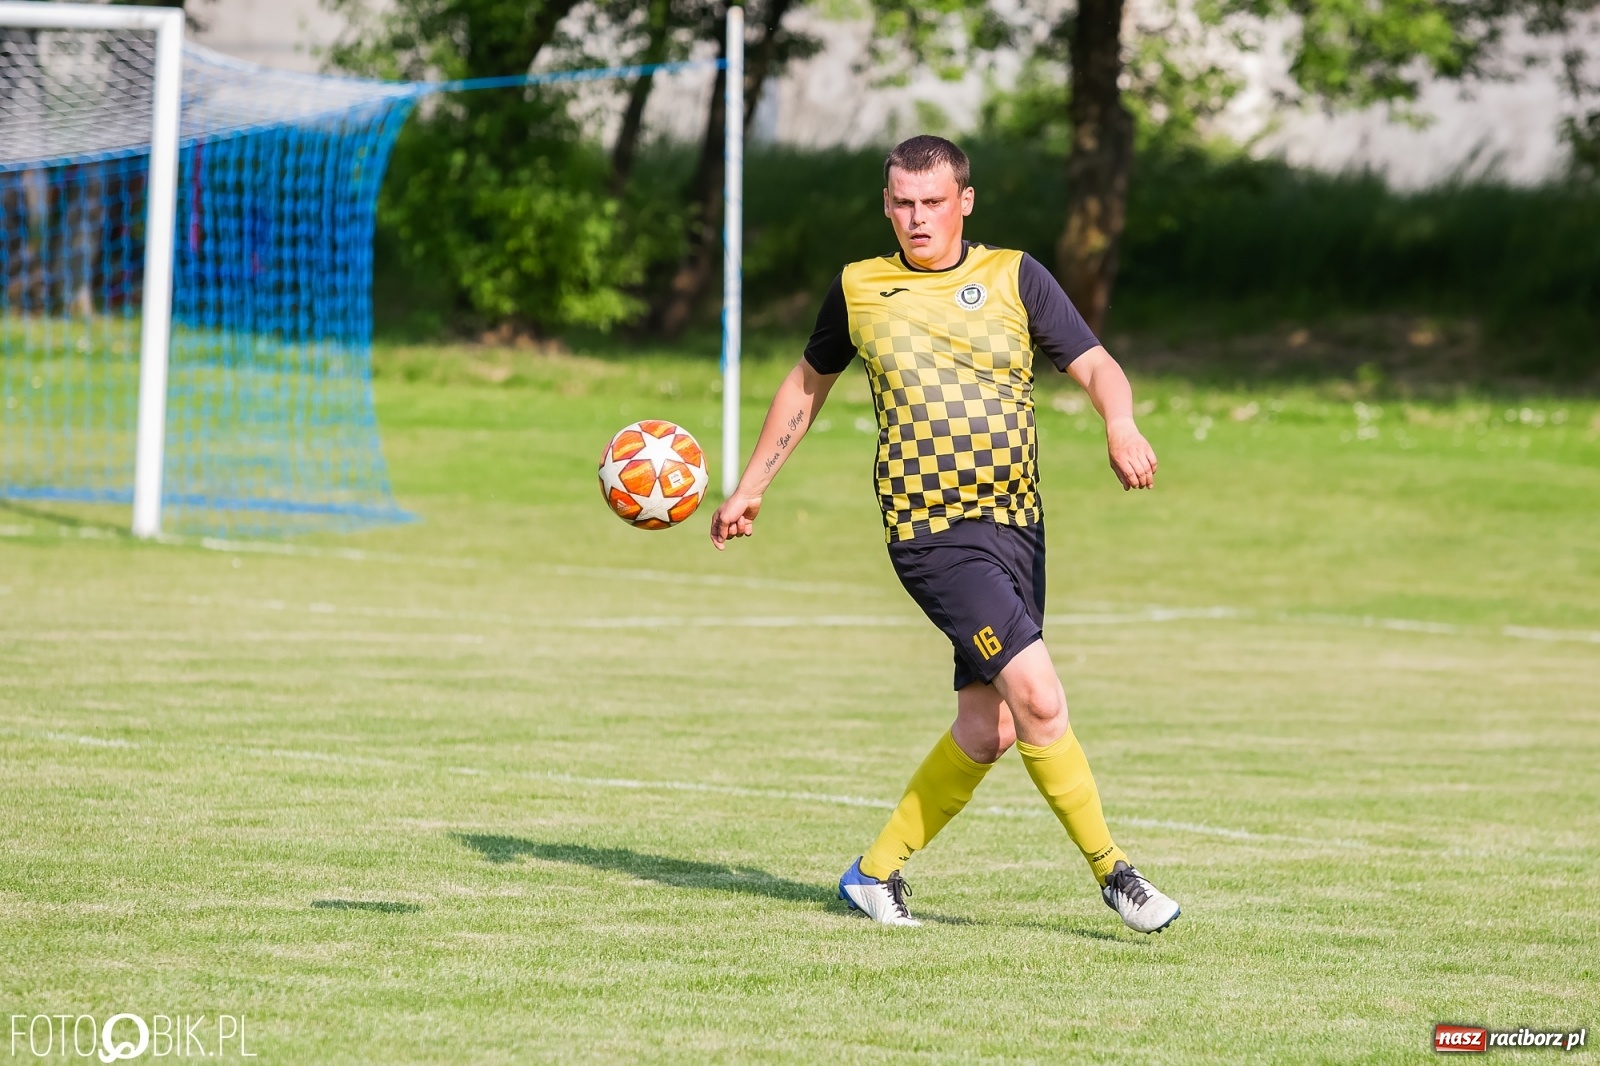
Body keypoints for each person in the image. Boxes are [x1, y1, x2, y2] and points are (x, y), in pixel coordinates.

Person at [709, 135, 1180, 933]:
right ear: (886, 205)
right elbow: (805, 383)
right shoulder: (861, 288)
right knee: (1038, 696)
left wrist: (1121, 423)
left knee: (987, 727)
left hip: (1017, 528)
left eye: (932, 202)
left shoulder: (1014, 276)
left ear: (965, 201)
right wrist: (752, 485)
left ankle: (874, 872)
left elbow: (1097, 366)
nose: (916, 218)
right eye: (902, 203)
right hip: (931, 532)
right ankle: (1116, 873)